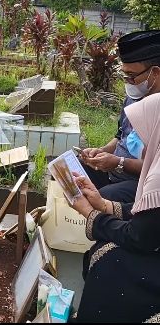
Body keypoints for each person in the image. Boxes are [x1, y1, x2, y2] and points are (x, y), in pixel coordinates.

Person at [69, 92, 160, 323]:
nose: (136, 141)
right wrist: (104, 205)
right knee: (105, 249)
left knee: (108, 259)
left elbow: (138, 237)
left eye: (143, 133)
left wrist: (91, 214)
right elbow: (151, 216)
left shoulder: (156, 177)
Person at [80, 30, 160, 203]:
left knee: (101, 198)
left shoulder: (157, 110)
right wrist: (100, 152)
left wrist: (118, 162)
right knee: (68, 173)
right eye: (125, 75)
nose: (128, 82)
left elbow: (154, 169)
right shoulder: (133, 97)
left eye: (132, 76)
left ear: (155, 72)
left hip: (141, 182)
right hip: (114, 170)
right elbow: (121, 136)